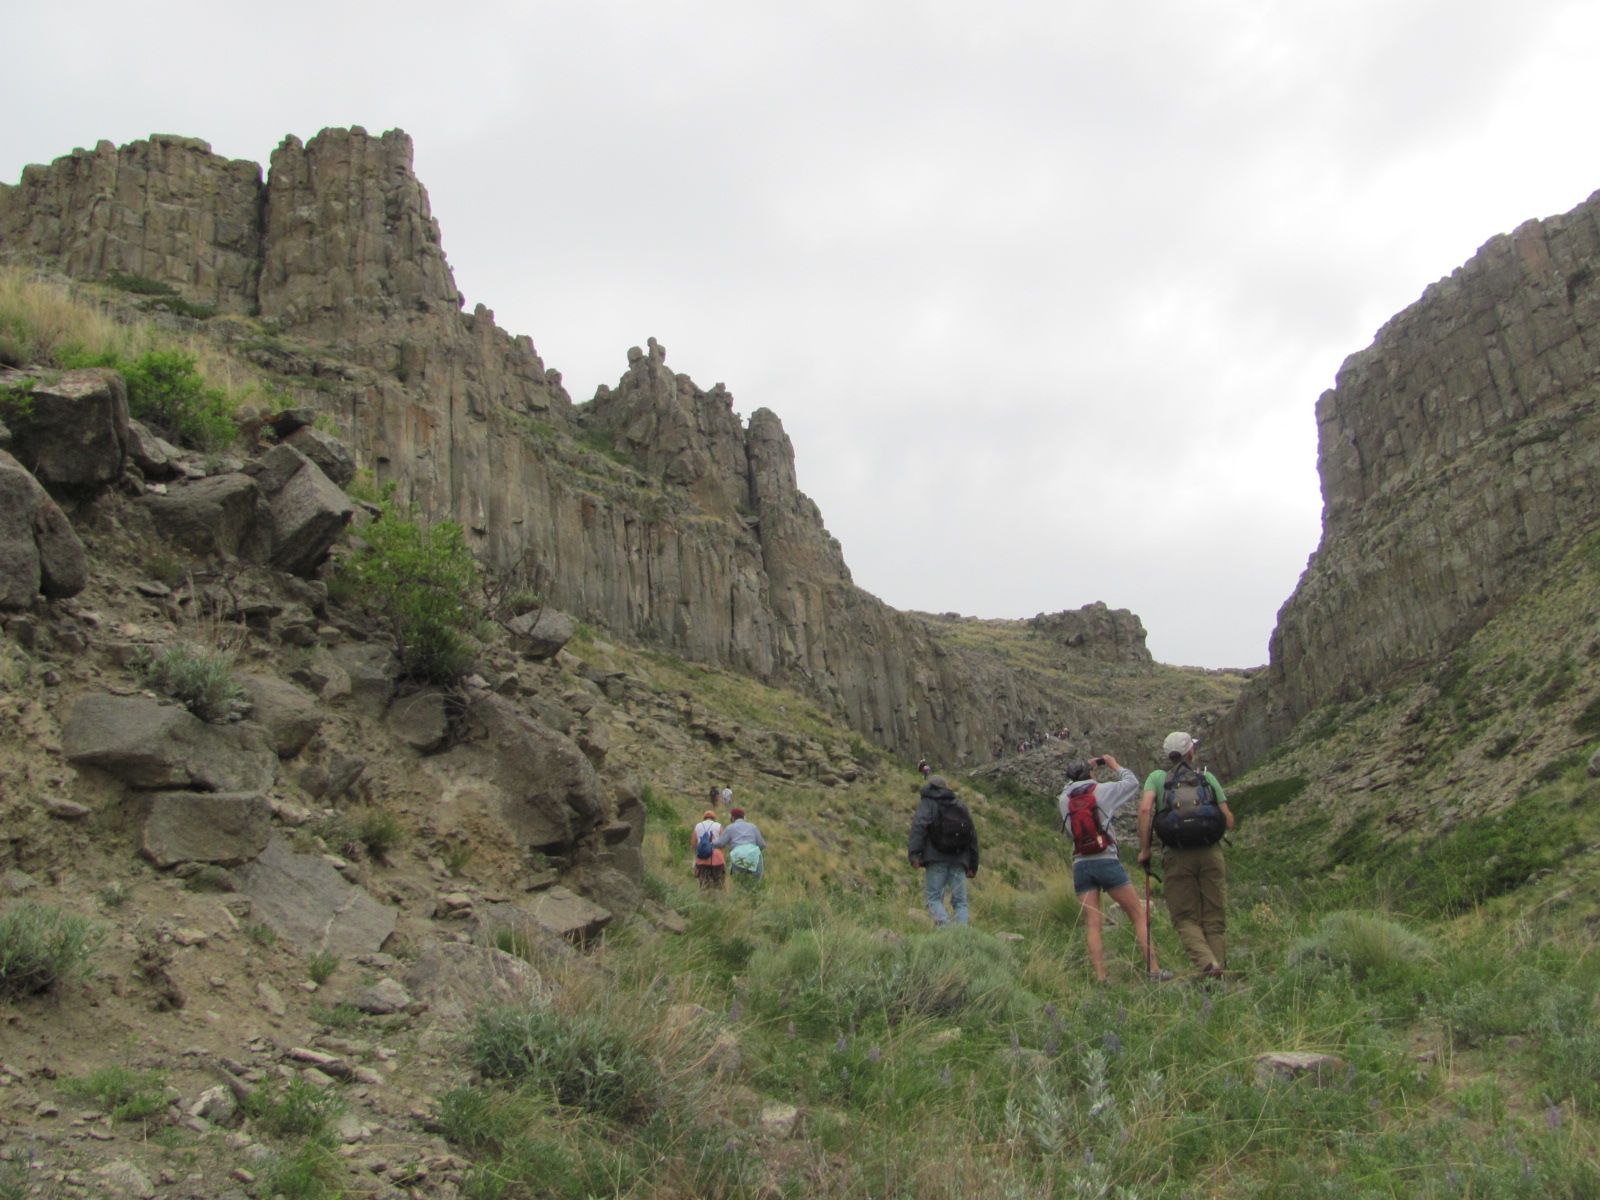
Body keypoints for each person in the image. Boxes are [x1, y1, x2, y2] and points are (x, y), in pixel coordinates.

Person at [1061, 755, 1170, 983]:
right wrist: (1113, 765)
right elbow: (1132, 782)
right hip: (1106, 860)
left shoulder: (1064, 798)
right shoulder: (1103, 790)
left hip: (1081, 863)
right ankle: (1154, 970)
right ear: (1090, 773)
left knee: (1093, 923)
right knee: (1138, 915)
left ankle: (1101, 978)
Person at [1137, 732, 1234, 977]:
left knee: (1184, 917)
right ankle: (1216, 976)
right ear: (1190, 752)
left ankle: (1208, 965)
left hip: (1176, 855)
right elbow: (1229, 820)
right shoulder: (1205, 776)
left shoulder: (1157, 778)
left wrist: (1145, 850)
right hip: (1211, 853)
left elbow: (1146, 808)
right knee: (1214, 916)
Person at [907, 775, 979, 925]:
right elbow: (972, 835)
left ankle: (944, 931)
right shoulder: (959, 805)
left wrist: (914, 854)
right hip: (960, 860)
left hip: (936, 859)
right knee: (960, 902)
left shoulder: (928, 803)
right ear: (945, 787)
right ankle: (962, 936)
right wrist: (972, 865)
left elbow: (919, 827)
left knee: (933, 899)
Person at [713, 806, 766, 885]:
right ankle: (755, 891)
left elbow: (720, 843)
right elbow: (762, 845)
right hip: (753, 854)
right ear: (744, 817)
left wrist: (711, 842)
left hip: (737, 854)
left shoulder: (730, 828)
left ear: (732, 818)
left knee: (737, 881)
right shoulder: (753, 827)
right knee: (756, 881)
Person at [692, 810, 726, 890]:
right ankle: (719, 900)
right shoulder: (718, 826)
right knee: (719, 883)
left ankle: (705, 899)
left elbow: (693, 844)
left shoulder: (697, 826)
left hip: (702, 858)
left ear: (704, 818)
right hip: (717, 858)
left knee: (704, 884)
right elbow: (723, 843)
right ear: (714, 818)